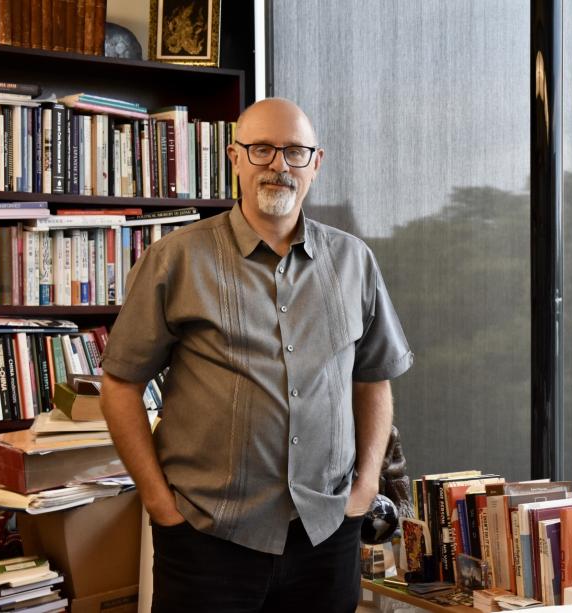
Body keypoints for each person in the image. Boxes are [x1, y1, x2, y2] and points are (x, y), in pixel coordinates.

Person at [100, 98, 414, 613]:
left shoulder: (354, 260)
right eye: (262, 149)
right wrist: (160, 505)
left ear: (316, 163)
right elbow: (120, 386)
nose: (278, 165)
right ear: (235, 158)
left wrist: (366, 487)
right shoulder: (175, 259)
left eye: (294, 152)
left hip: (325, 537)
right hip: (208, 540)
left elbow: (373, 378)